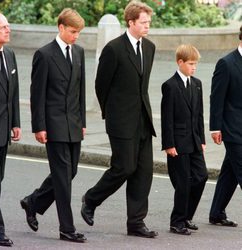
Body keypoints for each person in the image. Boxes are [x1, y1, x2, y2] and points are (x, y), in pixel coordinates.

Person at [80, 1, 157, 238]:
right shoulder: (113, 49)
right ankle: (91, 199)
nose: (147, 26)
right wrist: (110, 113)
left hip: (143, 118)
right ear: (131, 22)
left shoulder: (150, 47)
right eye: (143, 22)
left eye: (149, 22)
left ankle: (136, 222)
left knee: (144, 172)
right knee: (124, 167)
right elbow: (100, 85)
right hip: (120, 121)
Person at [20, 8, 86, 243]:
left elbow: (80, 90)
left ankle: (33, 201)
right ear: (60, 28)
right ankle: (66, 229)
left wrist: (83, 123)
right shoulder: (44, 54)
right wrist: (38, 126)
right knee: (61, 177)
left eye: (78, 32)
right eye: (72, 31)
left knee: (71, 172)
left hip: (74, 124)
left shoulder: (79, 52)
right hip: (53, 124)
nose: (76, 36)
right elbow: (36, 95)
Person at [161, 44, 208, 235]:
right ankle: (177, 222)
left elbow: (199, 114)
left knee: (201, 176)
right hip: (178, 143)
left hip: (195, 141)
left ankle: (187, 215)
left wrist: (202, 139)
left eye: (195, 64)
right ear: (180, 62)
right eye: (190, 63)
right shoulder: (170, 85)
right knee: (182, 183)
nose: (194, 67)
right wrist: (168, 144)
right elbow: (167, 118)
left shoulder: (197, 84)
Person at [208, 26, 242, 227]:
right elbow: (217, 97)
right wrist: (215, 127)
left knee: (229, 173)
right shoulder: (226, 64)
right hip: (233, 129)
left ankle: (216, 213)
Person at [0, 13, 21, 247]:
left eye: (8, 26)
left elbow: (14, 94)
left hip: (3, 131)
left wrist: (16, 122)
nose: (8, 30)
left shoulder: (9, 55)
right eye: (3, 27)